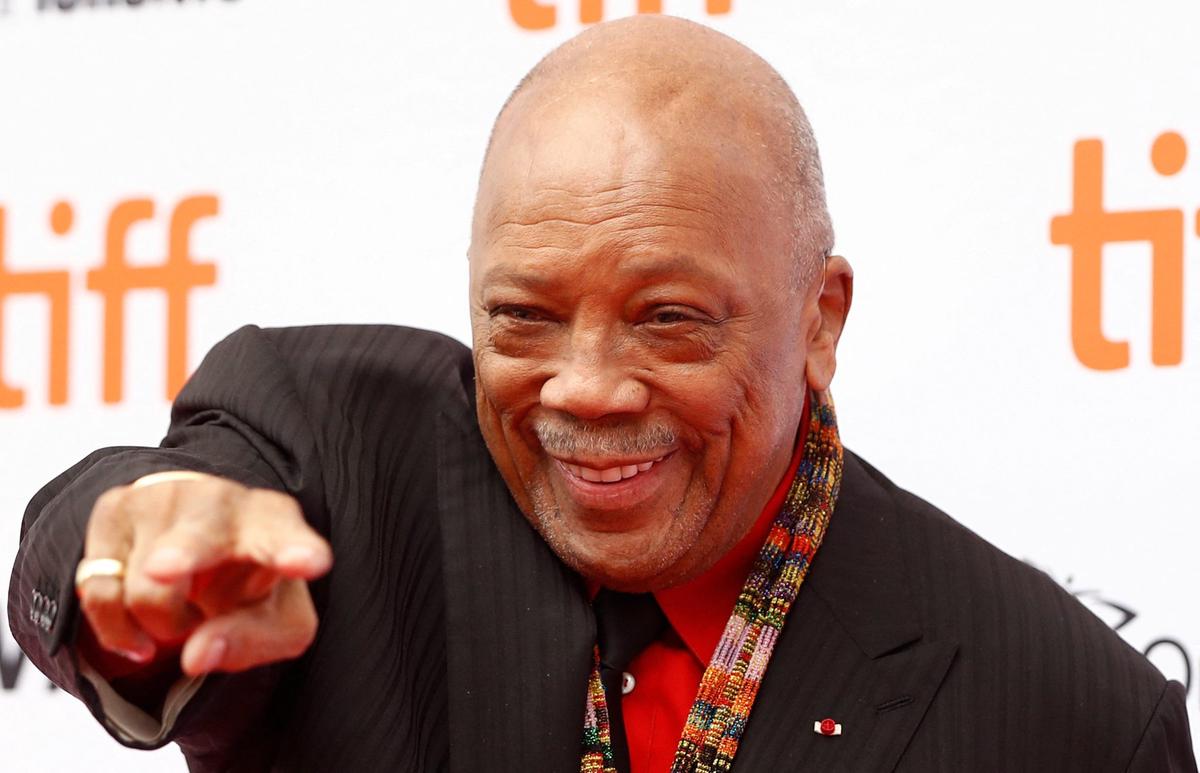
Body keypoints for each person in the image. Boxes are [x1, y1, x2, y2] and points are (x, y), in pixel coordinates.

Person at [8, 15, 1196, 773]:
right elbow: (124, 515)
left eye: (668, 318)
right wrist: (135, 555)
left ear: (819, 318)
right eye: (522, 316)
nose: (584, 388)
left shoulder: (1074, 717)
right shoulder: (341, 462)